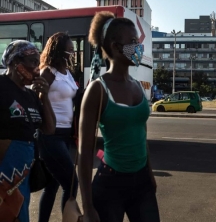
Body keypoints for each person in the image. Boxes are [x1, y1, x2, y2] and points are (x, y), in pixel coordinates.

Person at [78, 11, 160, 222]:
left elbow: (142, 132)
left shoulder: (137, 87)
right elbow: (85, 153)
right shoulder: (98, 89)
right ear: (115, 46)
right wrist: (87, 208)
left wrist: (149, 173)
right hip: (109, 185)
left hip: (142, 183)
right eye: (133, 42)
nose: (138, 47)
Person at [0, 40, 56, 222]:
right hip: (5, 169)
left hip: (23, 171)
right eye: (32, 62)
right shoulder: (2, 86)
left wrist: (44, 97)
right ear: (16, 63)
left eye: (37, 62)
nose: (36, 68)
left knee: (20, 211)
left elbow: (49, 128)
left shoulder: (31, 95)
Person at [37, 32, 79, 222]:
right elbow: (37, 95)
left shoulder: (67, 73)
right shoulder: (49, 71)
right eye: (70, 50)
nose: (73, 53)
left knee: (52, 186)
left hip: (65, 135)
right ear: (59, 50)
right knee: (72, 183)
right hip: (50, 135)